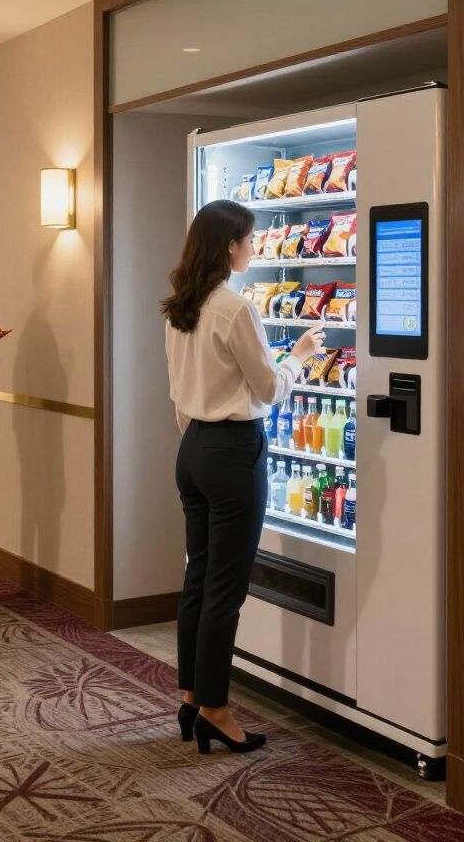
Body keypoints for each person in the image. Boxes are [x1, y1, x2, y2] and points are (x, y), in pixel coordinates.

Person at [162, 199, 324, 754]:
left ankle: (191, 697)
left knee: (198, 577)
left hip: (193, 448)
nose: (255, 247)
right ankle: (216, 709)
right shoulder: (235, 309)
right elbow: (268, 388)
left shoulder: (180, 306)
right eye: (251, 239)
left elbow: (179, 392)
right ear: (230, 246)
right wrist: (299, 356)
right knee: (226, 590)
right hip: (233, 451)